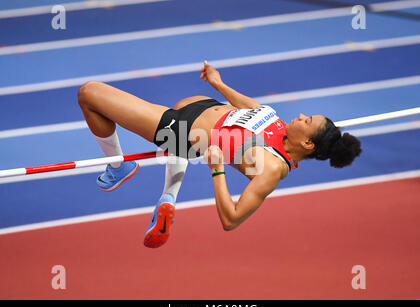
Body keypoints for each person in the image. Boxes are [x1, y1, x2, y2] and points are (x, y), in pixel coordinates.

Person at [77, 61, 362, 248]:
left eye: (307, 120)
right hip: (198, 110)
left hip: (179, 128)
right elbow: (251, 107)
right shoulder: (281, 127)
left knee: (90, 94)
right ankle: (167, 199)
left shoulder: (274, 166)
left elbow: (231, 219)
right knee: (179, 146)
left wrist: (217, 169)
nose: (300, 116)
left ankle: (118, 167)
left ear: (308, 145)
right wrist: (219, 84)